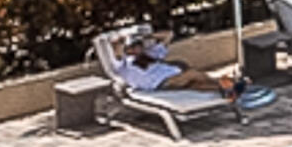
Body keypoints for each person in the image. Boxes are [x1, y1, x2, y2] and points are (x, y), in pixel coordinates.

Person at [110, 31, 273, 111]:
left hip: (173, 77)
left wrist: (147, 36)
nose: (137, 49)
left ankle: (228, 90)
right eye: (133, 47)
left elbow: (168, 35)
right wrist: (120, 43)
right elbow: (116, 52)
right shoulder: (123, 64)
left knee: (197, 84)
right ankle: (228, 84)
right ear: (128, 50)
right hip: (159, 84)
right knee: (192, 74)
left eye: (138, 46)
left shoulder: (149, 54)